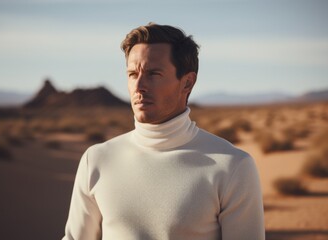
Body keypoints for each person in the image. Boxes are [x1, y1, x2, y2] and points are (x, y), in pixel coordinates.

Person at [62, 23, 265, 240]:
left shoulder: (233, 167)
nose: (139, 86)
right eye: (132, 74)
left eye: (153, 74)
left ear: (187, 82)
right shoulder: (96, 160)